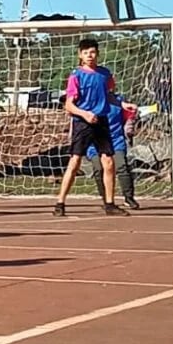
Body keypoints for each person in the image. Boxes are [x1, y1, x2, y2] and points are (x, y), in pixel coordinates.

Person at [54, 38, 128, 217]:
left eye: (93, 52)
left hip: (101, 121)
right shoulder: (76, 75)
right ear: (80, 55)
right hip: (83, 122)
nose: (90, 56)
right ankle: (60, 202)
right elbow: (69, 105)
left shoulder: (105, 74)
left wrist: (123, 104)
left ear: (98, 54)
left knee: (108, 162)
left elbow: (110, 95)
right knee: (75, 162)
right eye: (86, 52)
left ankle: (109, 204)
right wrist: (84, 113)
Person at [91, 91, 140, 210]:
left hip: (116, 140)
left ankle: (129, 198)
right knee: (98, 168)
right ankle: (106, 199)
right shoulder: (90, 100)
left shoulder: (118, 100)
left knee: (121, 166)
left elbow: (129, 116)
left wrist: (130, 125)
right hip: (96, 141)